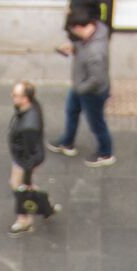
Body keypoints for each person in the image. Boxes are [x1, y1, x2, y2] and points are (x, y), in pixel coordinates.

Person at [53, 14, 115, 167]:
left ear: (79, 28)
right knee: (71, 111)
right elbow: (83, 49)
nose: (73, 35)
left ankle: (106, 153)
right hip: (81, 86)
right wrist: (74, 48)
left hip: (91, 92)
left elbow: (97, 79)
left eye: (73, 31)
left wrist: (80, 88)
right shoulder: (99, 29)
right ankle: (67, 142)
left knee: (96, 123)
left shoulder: (95, 52)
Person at [8, 81, 54, 233]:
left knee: (18, 187)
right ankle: (45, 206)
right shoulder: (33, 106)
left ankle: (24, 220)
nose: (12, 96)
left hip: (22, 160)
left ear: (25, 99)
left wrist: (26, 178)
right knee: (25, 187)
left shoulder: (29, 126)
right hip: (23, 156)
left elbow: (30, 155)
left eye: (15, 95)